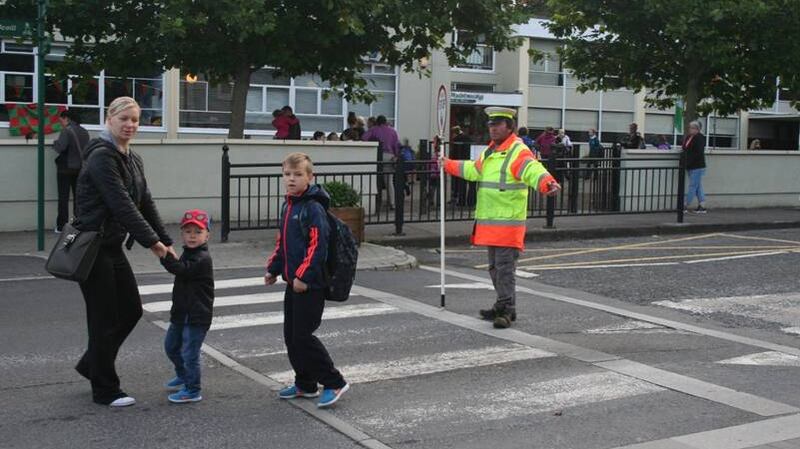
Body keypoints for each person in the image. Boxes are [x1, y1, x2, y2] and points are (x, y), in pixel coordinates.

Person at [73, 96, 174, 407]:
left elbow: (145, 202)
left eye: (135, 120)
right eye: (124, 119)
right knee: (103, 318)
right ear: (109, 119)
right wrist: (153, 244)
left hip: (112, 246)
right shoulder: (102, 157)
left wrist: (166, 239)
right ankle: (104, 388)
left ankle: (92, 363)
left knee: (130, 310)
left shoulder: (132, 157)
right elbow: (122, 205)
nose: (130, 125)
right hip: (92, 247)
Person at [442, 107, 560, 329]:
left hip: (508, 224)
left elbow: (532, 169)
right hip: (491, 223)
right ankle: (504, 306)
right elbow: (473, 171)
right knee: (496, 269)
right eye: (490, 125)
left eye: (498, 124)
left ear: (509, 127)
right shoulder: (491, 151)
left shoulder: (517, 150)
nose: (493, 128)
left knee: (504, 269)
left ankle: (505, 310)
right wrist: (447, 164)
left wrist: (547, 182)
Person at [265, 152, 349, 408]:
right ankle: (306, 383)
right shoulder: (289, 205)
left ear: (310, 177)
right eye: (287, 174)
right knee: (291, 336)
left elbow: (317, 247)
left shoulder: (312, 208)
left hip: (310, 284)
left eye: (298, 174)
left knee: (303, 336)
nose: (291, 179)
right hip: (293, 283)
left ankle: (334, 382)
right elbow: (283, 243)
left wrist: (303, 275)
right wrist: (274, 268)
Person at [160, 209, 214, 404]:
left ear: (207, 235)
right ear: (181, 234)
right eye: (188, 231)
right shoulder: (188, 253)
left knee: (190, 353)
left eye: (198, 232)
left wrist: (163, 255)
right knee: (171, 346)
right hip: (181, 313)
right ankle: (183, 375)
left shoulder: (201, 258)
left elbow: (181, 270)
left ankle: (192, 389)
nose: (192, 236)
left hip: (197, 315)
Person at [53, 109, 90, 233]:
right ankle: (78, 224)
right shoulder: (85, 132)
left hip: (65, 169)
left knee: (63, 198)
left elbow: (60, 147)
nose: (61, 123)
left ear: (67, 119)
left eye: (61, 120)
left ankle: (61, 226)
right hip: (80, 169)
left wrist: (55, 143)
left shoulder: (66, 131)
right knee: (78, 198)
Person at [363, 115, 400, 210]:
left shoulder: (374, 129)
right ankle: (392, 203)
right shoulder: (393, 131)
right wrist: (396, 156)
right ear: (386, 121)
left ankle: (377, 202)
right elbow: (396, 145)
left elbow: (364, 138)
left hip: (377, 155)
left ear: (377, 122)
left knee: (376, 179)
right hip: (389, 156)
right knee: (389, 181)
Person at [683, 120, 708, 214]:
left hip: (697, 165)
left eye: (692, 128)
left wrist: (689, 161)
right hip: (690, 165)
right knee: (697, 186)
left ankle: (686, 205)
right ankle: (702, 205)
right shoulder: (689, 137)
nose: (690, 129)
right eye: (690, 127)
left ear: (697, 129)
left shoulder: (700, 138)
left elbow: (698, 152)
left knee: (693, 186)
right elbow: (684, 148)